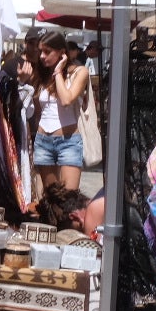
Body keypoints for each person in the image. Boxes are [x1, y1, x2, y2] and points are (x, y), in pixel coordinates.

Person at [30, 28, 89, 192]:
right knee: (51, 199)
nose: (42, 56)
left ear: (62, 52)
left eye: (47, 52)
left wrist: (58, 72)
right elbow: (38, 110)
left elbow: (66, 100)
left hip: (68, 142)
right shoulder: (42, 75)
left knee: (69, 200)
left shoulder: (79, 72)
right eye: (41, 51)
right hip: (43, 141)